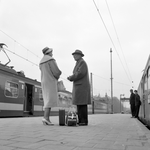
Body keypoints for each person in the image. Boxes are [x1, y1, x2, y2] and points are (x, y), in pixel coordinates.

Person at [67, 49, 91, 126]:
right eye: (73, 55)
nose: (74, 56)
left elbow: (80, 73)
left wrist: (71, 77)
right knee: (80, 105)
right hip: (80, 86)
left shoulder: (82, 63)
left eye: (75, 55)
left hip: (81, 87)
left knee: (82, 105)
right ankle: (81, 120)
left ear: (80, 55)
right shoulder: (79, 62)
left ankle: (83, 121)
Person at [39, 47, 61, 125]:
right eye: (52, 52)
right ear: (49, 52)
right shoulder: (50, 60)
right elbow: (56, 72)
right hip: (50, 81)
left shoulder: (41, 62)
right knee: (50, 100)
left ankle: (46, 118)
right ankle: (46, 118)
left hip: (44, 81)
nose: (52, 53)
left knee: (47, 99)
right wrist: (58, 76)